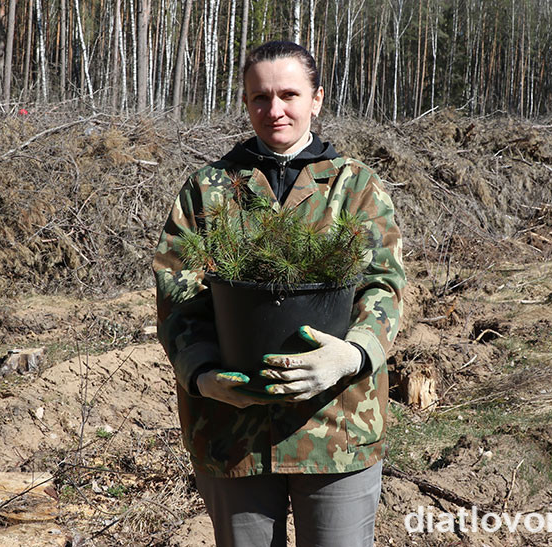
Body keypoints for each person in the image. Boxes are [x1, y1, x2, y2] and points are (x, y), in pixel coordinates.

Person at [153, 41, 405, 547]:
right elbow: (179, 293)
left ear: (316, 99)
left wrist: (351, 355)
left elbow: (384, 284)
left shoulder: (354, 186)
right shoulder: (209, 188)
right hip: (232, 429)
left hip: (337, 425)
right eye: (260, 97)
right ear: (246, 103)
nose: (275, 110)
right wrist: (202, 375)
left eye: (289, 94)